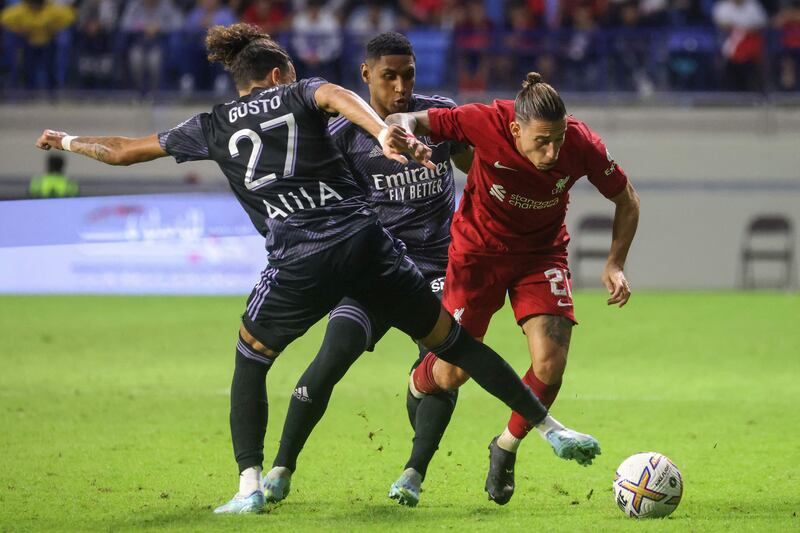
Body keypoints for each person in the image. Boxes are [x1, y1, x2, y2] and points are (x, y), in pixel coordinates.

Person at [35, 25, 600, 514]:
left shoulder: (211, 124)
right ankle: (549, 429)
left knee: (251, 357)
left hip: (302, 257)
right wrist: (381, 129)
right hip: (367, 243)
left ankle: (251, 482)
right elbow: (341, 98)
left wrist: (66, 139)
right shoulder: (303, 93)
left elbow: (126, 151)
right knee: (452, 343)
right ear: (280, 72)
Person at [387, 71, 639, 505]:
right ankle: (419, 375)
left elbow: (627, 199)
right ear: (515, 128)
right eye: (542, 140)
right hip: (476, 255)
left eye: (558, 139)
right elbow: (409, 118)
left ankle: (505, 446)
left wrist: (615, 263)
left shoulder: (581, 144)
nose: (553, 151)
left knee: (550, 363)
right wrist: (404, 134)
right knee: (452, 373)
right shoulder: (482, 120)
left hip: (541, 255)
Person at [263, 31, 473, 508]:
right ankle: (280, 467)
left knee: (444, 366)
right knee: (330, 360)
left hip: (439, 269)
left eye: (408, 75)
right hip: (377, 268)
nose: (401, 86)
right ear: (366, 75)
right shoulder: (343, 135)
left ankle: (414, 473)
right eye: (389, 76)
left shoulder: (437, 117)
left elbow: (475, 167)